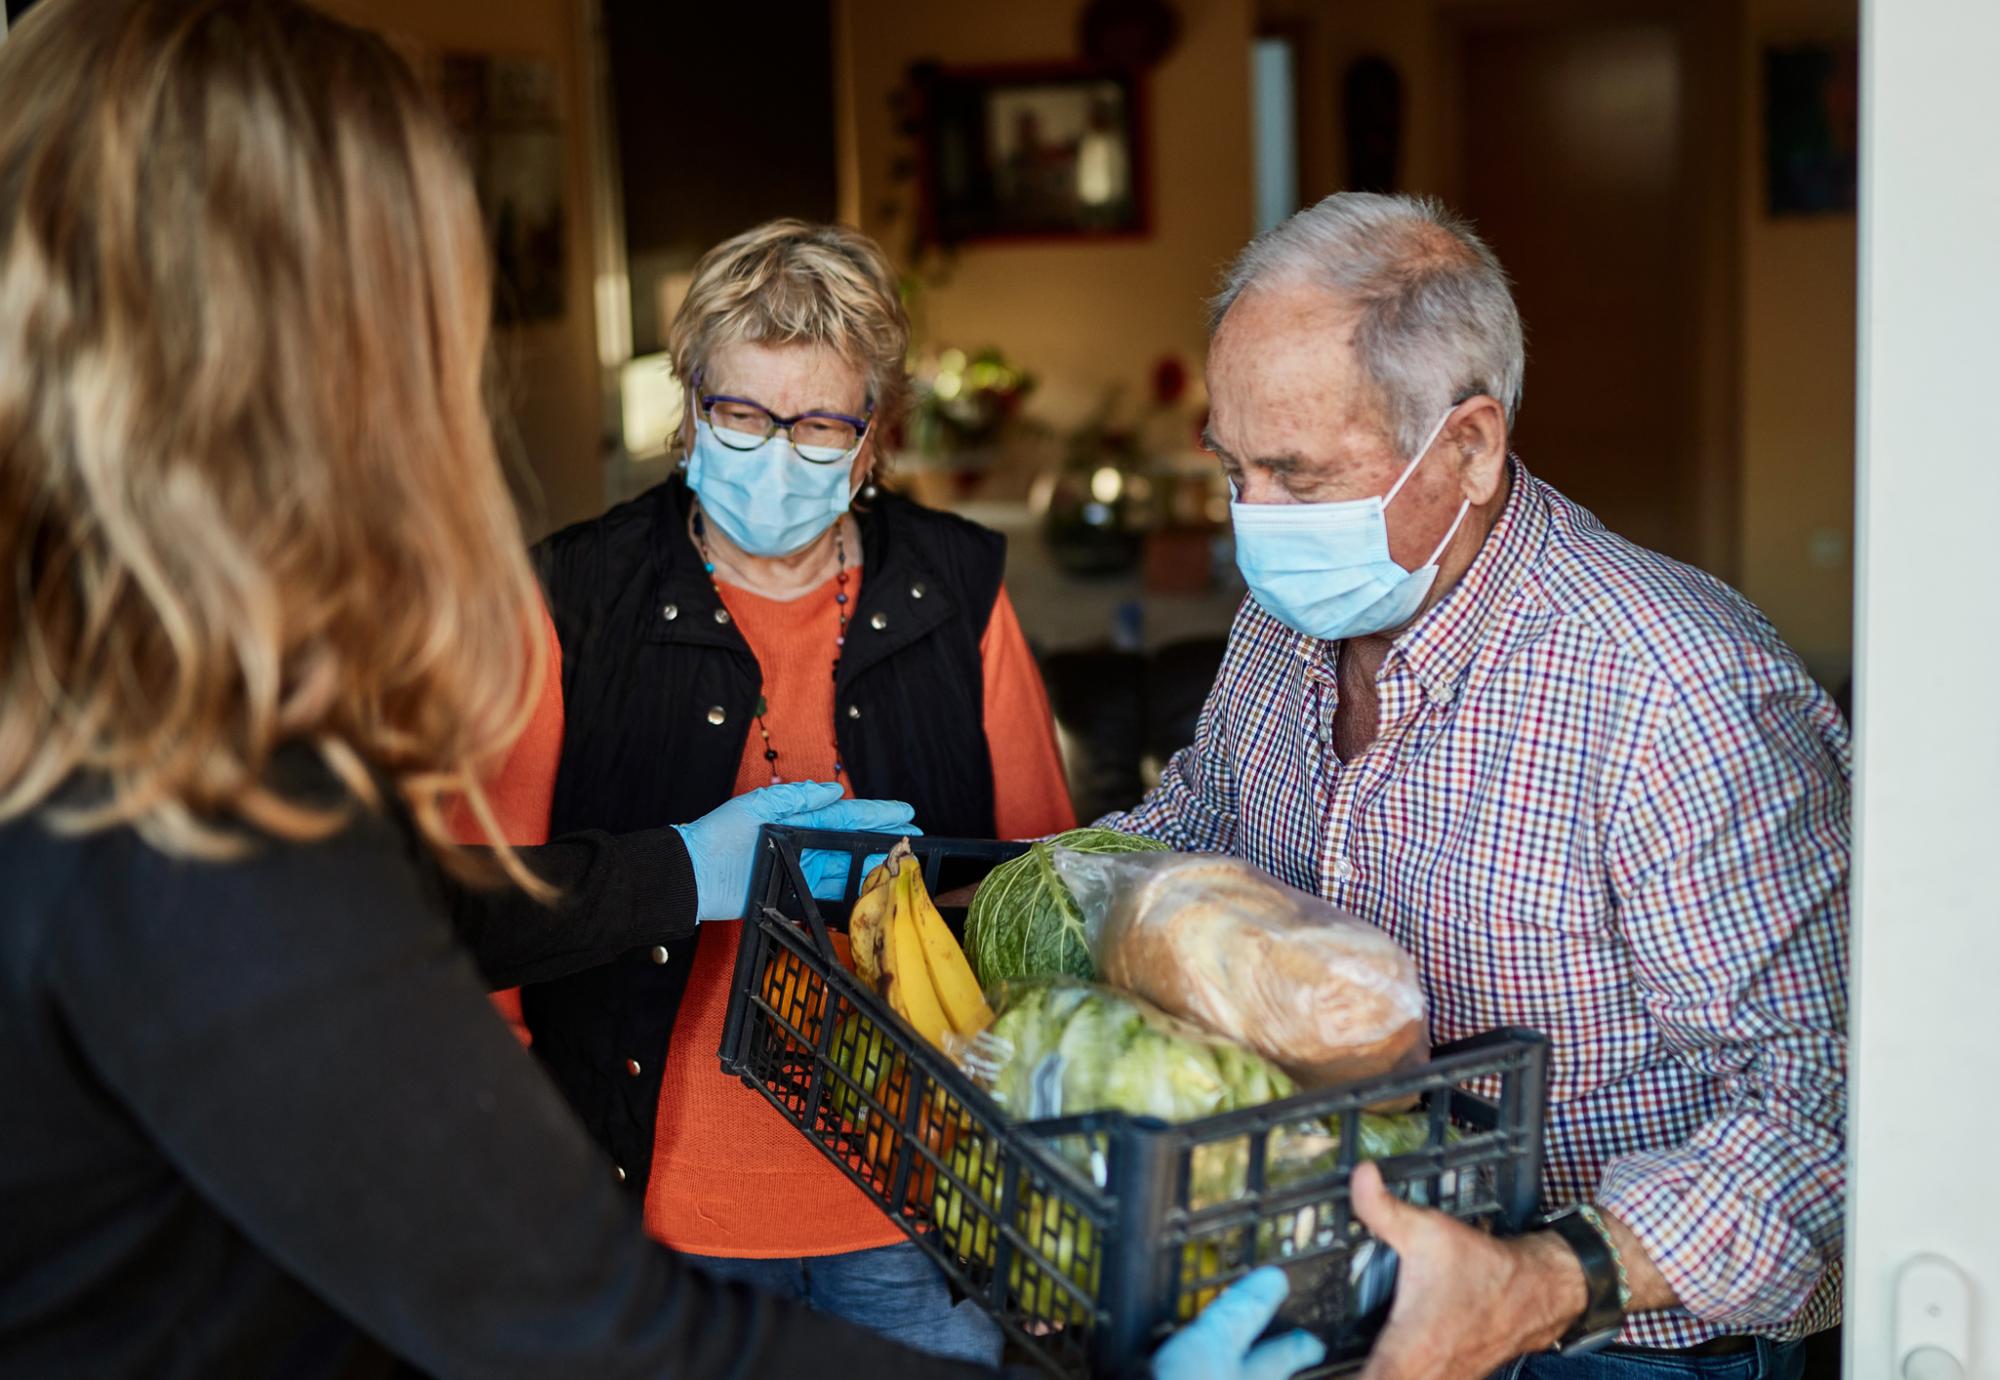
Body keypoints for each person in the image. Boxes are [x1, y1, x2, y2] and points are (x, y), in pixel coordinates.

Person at [0, 3, 1315, 1378]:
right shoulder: (200, 806)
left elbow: (433, 923)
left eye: (821, 421)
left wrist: (690, 872)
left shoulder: (151, 745)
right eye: (431, 330)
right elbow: (593, 1325)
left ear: (876, 438)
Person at [1098, 192, 1849, 1380]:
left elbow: (1825, 1103)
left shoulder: (1676, 692)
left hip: (1614, 1341)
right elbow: (1193, 827)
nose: (1255, 522)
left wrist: (1542, 1284)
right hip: (1325, 1283)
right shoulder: (1282, 625)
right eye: (1233, 469)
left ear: (1470, 445)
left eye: (1297, 475)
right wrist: (1010, 891)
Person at [487, 218, 1075, 1363]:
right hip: (660, 1213)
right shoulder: (572, 598)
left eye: (818, 423)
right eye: (741, 413)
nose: (774, 450)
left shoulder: (956, 588)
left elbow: (1042, 890)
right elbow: (492, 904)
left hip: (917, 1210)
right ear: (689, 402)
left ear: (875, 436)